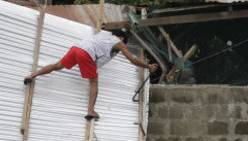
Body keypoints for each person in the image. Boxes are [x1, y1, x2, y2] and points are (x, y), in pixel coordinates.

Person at [23, 29, 158, 120]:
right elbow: (133, 59)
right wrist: (147, 66)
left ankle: (31, 75)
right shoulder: (119, 43)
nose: (123, 44)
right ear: (122, 38)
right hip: (86, 53)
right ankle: (90, 111)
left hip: (76, 48)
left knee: (57, 66)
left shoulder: (103, 34)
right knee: (94, 81)